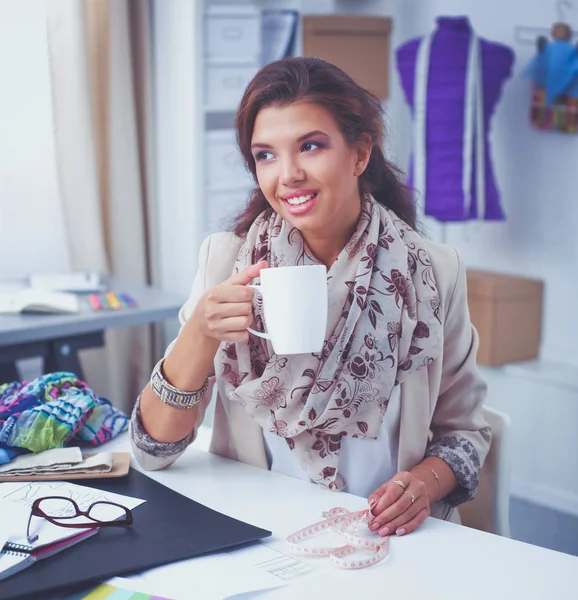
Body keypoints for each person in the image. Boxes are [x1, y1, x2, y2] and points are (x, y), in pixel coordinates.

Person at [131, 57, 490, 538]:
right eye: (266, 155)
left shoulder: (431, 272)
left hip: (386, 538)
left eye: (311, 146)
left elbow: (465, 431)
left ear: (360, 153)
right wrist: (200, 331)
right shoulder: (227, 261)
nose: (288, 174)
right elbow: (153, 453)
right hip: (257, 534)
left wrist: (424, 483)